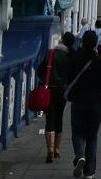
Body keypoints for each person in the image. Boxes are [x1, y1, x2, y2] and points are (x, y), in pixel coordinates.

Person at [67, 30, 101, 179]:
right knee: (92, 136)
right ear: (96, 44)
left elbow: (69, 79)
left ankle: (80, 155)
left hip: (79, 101)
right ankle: (89, 172)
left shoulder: (75, 59)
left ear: (82, 43)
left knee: (77, 132)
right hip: (96, 103)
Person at [37, 31, 75, 162]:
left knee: (50, 117)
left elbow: (40, 70)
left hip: (49, 90)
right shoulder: (70, 57)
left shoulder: (51, 54)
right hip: (62, 91)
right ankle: (57, 148)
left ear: (62, 41)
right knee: (59, 116)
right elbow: (71, 75)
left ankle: (50, 149)